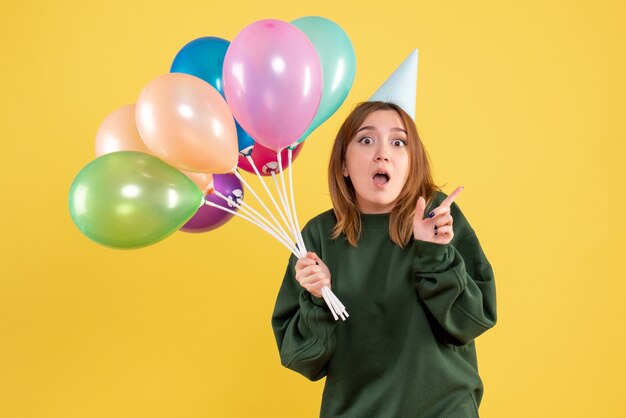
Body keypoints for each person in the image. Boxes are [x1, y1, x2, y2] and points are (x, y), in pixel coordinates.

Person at [272, 101, 497, 418]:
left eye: (398, 141)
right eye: (366, 140)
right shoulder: (319, 237)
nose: (382, 153)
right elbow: (303, 359)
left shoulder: (439, 219)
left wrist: (435, 254)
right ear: (344, 165)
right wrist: (317, 299)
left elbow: (471, 321)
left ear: (411, 163)